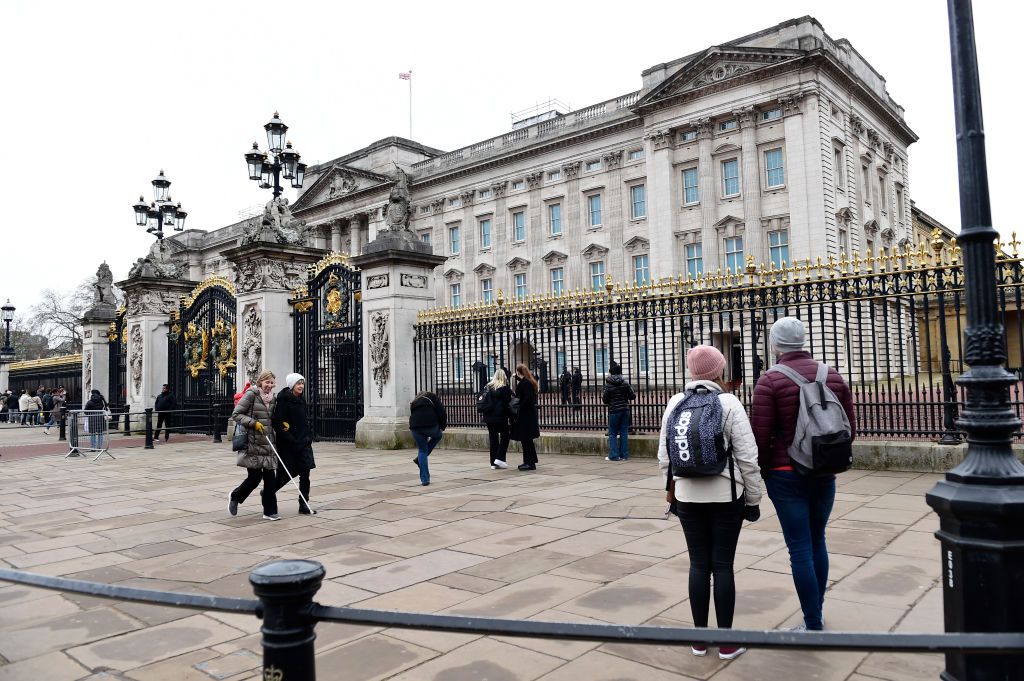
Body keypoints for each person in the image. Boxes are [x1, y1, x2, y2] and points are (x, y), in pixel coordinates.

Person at [751, 317, 856, 632]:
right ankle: (817, 611)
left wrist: (765, 473)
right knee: (817, 540)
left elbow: (760, 436)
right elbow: (849, 428)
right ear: (804, 340)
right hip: (825, 471)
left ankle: (812, 622)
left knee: (799, 547)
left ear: (775, 344)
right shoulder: (832, 374)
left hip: (786, 476)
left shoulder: (769, 381)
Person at [660, 345, 763, 661]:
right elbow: (747, 458)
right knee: (723, 566)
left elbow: (665, 455)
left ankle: (700, 640)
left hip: (688, 496)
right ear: (719, 371)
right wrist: (754, 499)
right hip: (725, 496)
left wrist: (673, 490)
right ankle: (727, 643)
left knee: (697, 564)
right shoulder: (729, 402)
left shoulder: (676, 402)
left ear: (692, 372)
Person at [229, 370, 281, 520]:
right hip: (253, 444)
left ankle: (270, 511)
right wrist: (253, 423)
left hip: (269, 443)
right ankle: (235, 496)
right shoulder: (251, 395)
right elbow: (236, 414)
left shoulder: (274, 399)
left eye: (272, 383)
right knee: (254, 478)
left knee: (270, 479)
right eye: (267, 382)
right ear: (260, 382)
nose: (269, 385)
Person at [273, 373, 317, 515]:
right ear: (292, 385)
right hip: (289, 444)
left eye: (302, 383)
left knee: (305, 474)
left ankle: (304, 504)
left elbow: (304, 420)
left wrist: (308, 435)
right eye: (298, 383)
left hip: (303, 443)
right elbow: (278, 423)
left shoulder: (301, 400)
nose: (301, 386)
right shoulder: (283, 401)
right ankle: (268, 492)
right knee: (286, 474)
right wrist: (291, 439)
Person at [409, 390, 446, 486]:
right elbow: (442, 412)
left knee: (422, 451)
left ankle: (425, 479)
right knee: (438, 435)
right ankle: (418, 459)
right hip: (431, 425)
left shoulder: (414, 402)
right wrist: (442, 426)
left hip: (415, 428)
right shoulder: (432, 397)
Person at [602, 360, 636, 461]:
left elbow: (605, 399)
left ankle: (614, 455)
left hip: (614, 410)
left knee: (612, 433)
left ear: (611, 373)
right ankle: (624, 455)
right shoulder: (625, 383)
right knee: (624, 432)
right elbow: (632, 396)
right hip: (625, 409)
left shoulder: (608, 384)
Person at [510, 363, 540, 471]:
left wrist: (519, 406)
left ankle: (529, 463)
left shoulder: (526, 383)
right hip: (527, 414)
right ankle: (529, 461)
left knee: (526, 439)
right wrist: (517, 378)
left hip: (526, 415)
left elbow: (527, 398)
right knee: (527, 440)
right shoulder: (527, 381)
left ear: (519, 372)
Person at [481, 368, 513, 469]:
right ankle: (499, 458)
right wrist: (511, 417)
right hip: (500, 417)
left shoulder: (488, 387)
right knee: (505, 436)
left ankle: (493, 463)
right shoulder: (504, 389)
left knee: (493, 439)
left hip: (488, 417)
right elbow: (507, 405)